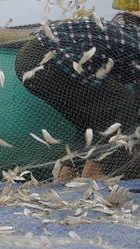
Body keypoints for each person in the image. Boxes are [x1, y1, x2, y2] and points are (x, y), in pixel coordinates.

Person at [14, 14, 140, 180]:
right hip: (51, 57)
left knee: (92, 120)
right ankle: (93, 172)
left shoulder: (127, 34)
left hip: (27, 60)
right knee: (120, 103)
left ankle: (67, 172)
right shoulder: (135, 41)